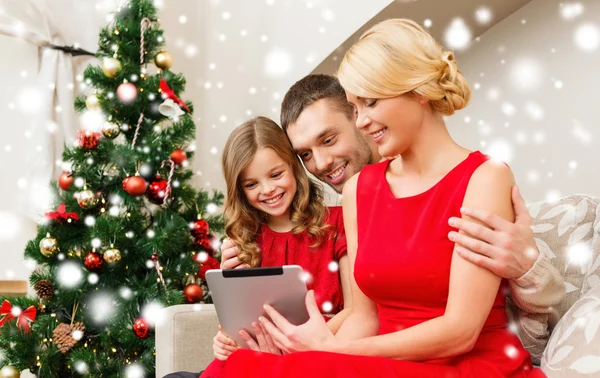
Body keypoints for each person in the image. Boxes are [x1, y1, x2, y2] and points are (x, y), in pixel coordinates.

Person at [217, 19, 548, 377]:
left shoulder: (485, 177)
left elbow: (460, 332)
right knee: (242, 366)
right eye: (355, 108)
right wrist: (320, 353)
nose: (360, 122)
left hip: (466, 364)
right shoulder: (361, 189)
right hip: (379, 362)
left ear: (418, 89)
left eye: (369, 103)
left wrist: (334, 352)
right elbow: (364, 316)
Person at [196, 117, 352, 378]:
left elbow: (356, 312)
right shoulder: (246, 240)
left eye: (276, 174)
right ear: (240, 190)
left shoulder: (337, 222)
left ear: (294, 167)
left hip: (313, 355)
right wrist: (225, 341)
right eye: (251, 184)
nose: (268, 190)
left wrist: (296, 341)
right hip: (255, 359)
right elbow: (241, 323)